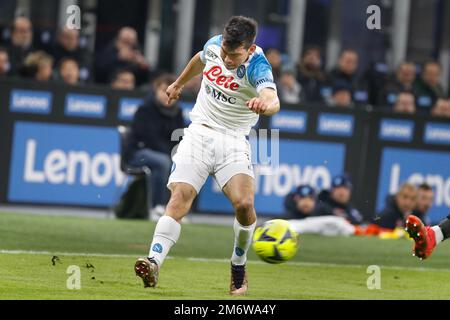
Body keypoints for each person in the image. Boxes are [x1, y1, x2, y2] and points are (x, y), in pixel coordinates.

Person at [134, 16, 280, 296]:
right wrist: (178, 84)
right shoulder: (216, 46)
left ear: (249, 49)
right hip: (198, 133)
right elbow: (201, 59)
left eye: (233, 54)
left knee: (245, 205)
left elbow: (273, 100)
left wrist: (265, 104)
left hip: (234, 141)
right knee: (178, 199)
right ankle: (154, 262)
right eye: (224, 51)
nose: (225, 58)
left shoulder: (258, 66)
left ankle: (238, 264)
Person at [124, 74, 184, 215]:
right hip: (137, 153)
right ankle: (157, 207)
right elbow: (147, 138)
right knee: (162, 162)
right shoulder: (145, 108)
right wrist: (169, 154)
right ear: (155, 90)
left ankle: (179, 209)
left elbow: (179, 138)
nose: (167, 94)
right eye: (163, 90)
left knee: (187, 163)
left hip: (165, 154)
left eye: (172, 90)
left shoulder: (178, 112)